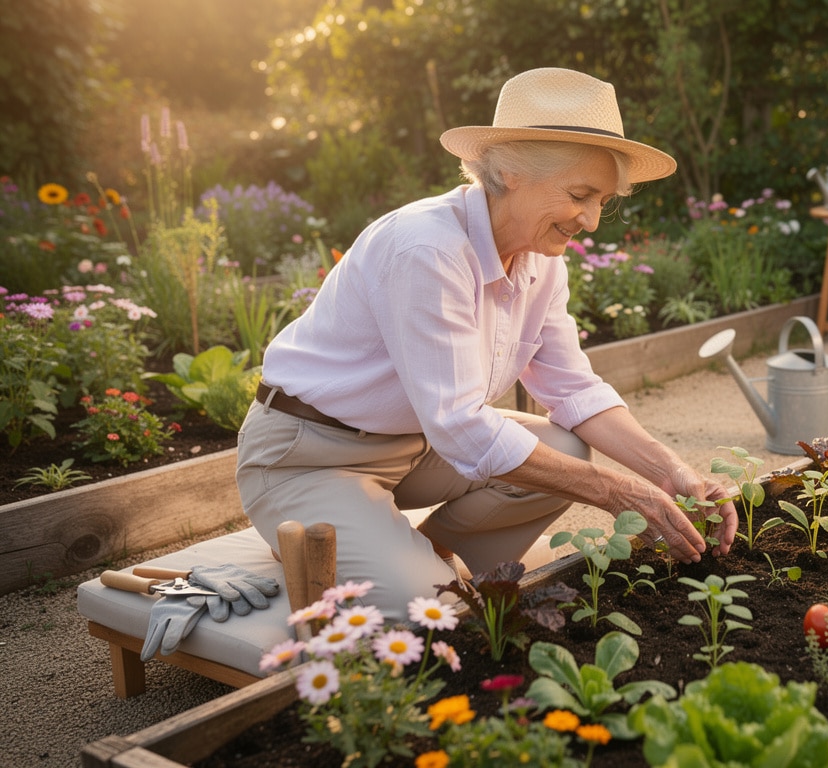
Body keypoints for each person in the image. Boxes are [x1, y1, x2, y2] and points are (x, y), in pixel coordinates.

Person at [236, 67, 738, 618]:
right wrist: (620, 493)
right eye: (580, 195)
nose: (592, 220)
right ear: (511, 171)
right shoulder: (426, 249)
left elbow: (574, 391)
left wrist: (672, 473)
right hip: (310, 455)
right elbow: (459, 424)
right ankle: (394, 563)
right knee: (432, 612)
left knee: (567, 450)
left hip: (416, 445)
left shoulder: (540, 262)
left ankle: (425, 551)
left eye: (604, 201)